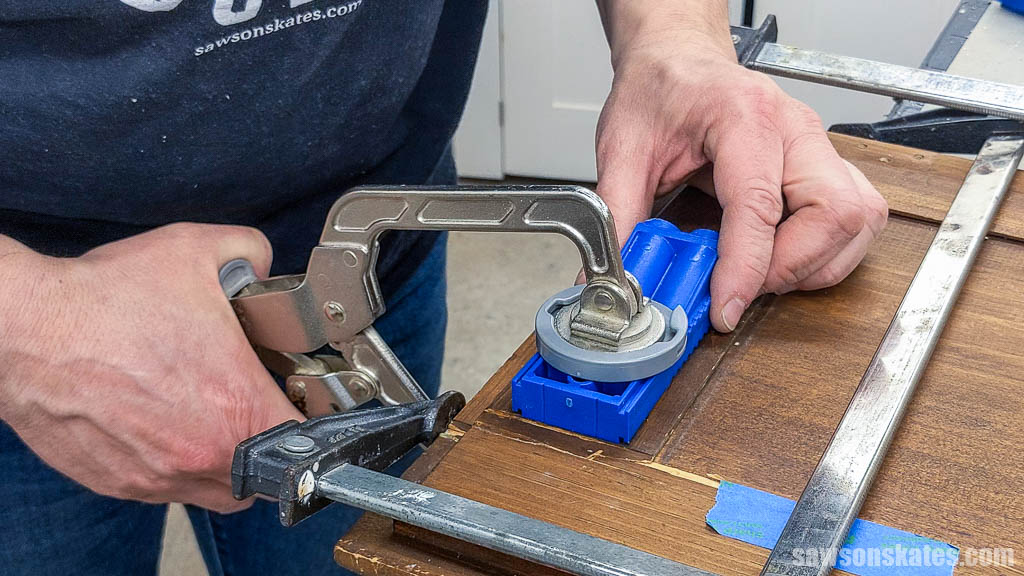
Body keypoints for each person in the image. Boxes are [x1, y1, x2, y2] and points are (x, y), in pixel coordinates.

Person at [0, 1, 887, 574]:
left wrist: (676, 44)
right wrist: (31, 321)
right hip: (38, 331)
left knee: (351, 560)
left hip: (368, 269)